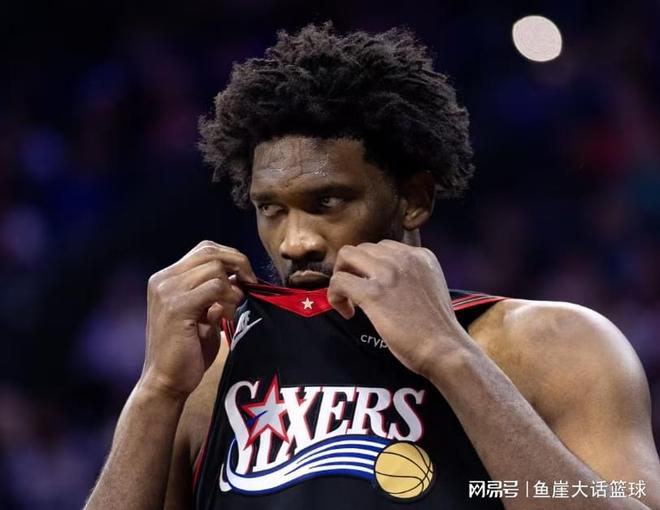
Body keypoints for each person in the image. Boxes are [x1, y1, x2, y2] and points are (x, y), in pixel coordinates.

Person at [84, 23, 660, 509]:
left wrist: (450, 356)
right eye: (271, 209)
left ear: (414, 198)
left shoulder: (556, 345)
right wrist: (156, 389)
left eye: (328, 202)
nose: (296, 242)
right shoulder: (210, 371)